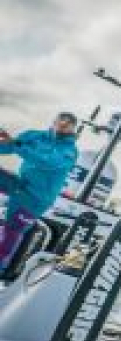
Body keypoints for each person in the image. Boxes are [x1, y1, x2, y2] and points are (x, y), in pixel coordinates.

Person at [0, 112, 78, 274]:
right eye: (61, 121)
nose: (63, 125)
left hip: (36, 200)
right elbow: (8, 147)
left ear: (73, 128)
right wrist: (7, 142)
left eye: (68, 124)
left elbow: (47, 162)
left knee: (12, 231)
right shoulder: (34, 136)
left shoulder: (69, 151)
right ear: (54, 121)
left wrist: (15, 144)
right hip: (20, 184)